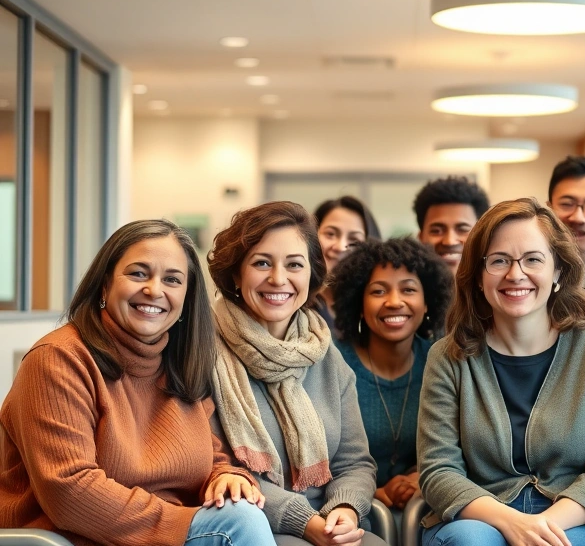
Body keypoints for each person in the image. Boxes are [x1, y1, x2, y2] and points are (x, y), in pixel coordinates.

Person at [0, 219, 275, 545]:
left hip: (168, 534)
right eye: (138, 273)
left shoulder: (181, 363)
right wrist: (188, 523)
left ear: (186, 299)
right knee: (239, 524)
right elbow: (69, 491)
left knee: (242, 510)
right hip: (73, 538)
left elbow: (213, 457)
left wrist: (227, 477)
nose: (154, 290)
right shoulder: (58, 358)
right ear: (104, 285)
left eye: (172, 279)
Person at [417, 197, 585, 546]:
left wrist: (543, 526)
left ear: (557, 271)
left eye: (532, 260)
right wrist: (511, 522)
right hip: (482, 517)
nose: (515, 274)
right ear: (478, 277)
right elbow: (438, 471)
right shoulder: (448, 357)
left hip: (579, 515)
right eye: (499, 261)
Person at [206, 201, 387, 546]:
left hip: (329, 523)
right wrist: (304, 523)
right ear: (235, 274)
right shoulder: (203, 353)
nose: (278, 279)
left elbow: (355, 462)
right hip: (249, 524)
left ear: (312, 275)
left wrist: (345, 509)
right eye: (261, 263)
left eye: (294, 265)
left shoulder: (326, 355)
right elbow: (215, 467)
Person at [331, 238, 452, 511]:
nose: (394, 302)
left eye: (408, 290)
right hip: (345, 508)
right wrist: (370, 491)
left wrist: (419, 476)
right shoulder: (333, 363)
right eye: (378, 292)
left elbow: (456, 445)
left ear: (427, 302)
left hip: (423, 504)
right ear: (359, 304)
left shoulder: (443, 361)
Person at [312, 195, 382, 331]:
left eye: (354, 240)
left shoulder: (375, 306)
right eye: (330, 234)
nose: (340, 246)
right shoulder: (294, 300)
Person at [413, 175, 490, 274]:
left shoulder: (497, 287)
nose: (449, 241)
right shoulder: (404, 287)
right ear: (421, 238)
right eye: (437, 231)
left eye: (462, 230)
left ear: (482, 236)